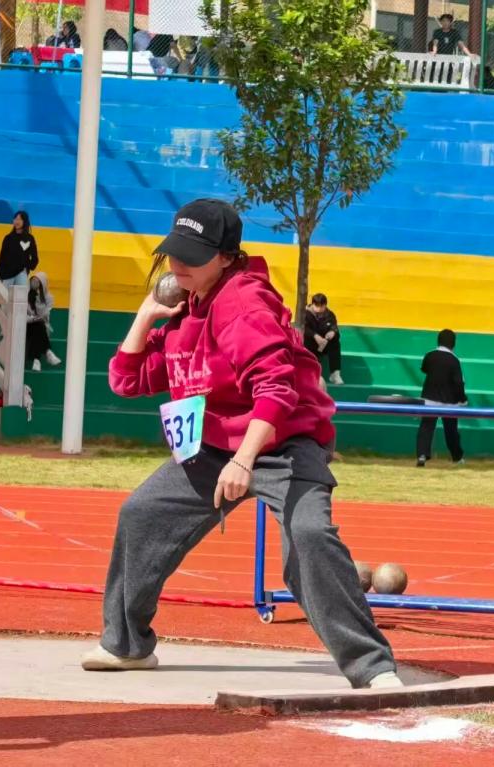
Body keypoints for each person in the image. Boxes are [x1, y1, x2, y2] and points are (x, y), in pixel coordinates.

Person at [82, 199, 403, 690]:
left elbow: (277, 389)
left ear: (227, 257)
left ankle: (372, 667)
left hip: (284, 442)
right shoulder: (187, 311)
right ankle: (127, 645)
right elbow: (127, 380)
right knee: (142, 514)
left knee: (309, 536)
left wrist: (244, 459)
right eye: (174, 252)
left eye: (193, 255)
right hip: (214, 447)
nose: (178, 263)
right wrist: (146, 316)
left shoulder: (243, 304)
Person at [416, 329, 467, 467]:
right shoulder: (454, 360)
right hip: (449, 402)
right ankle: (457, 457)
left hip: (429, 399)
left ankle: (422, 455)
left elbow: (424, 369)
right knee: (451, 431)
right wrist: (462, 399)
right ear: (453, 344)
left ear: (438, 341)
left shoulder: (429, 356)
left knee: (426, 428)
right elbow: (458, 383)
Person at [303, 293, 343, 386]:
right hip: (309, 345)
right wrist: (315, 336)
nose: (319, 309)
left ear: (325, 305)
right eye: (317, 306)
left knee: (335, 343)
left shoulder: (330, 315)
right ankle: (308, 374)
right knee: (305, 339)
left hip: (323, 345)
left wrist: (333, 332)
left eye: (322, 306)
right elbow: (303, 328)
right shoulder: (305, 314)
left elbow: (334, 327)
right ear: (312, 304)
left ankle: (335, 374)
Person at [26, 272, 61, 371]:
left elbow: (45, 316)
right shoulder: (25, 295)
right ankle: (47, 352)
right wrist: (33, 318)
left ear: (42, 285)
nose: (34, 283)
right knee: (37, 325)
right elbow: (22, 315)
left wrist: (38, 300)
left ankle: (36, 361)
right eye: (33, 281)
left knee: (38, 326)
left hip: (39, 326)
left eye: (37, 282)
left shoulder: (48, 298)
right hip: (26, 324)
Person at [0, 211, 38, 288]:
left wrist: (27, 266)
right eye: (15, 219)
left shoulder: (29, 238)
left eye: (20, 219)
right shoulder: (8, 238)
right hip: (7, 274)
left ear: (25, 221)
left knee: (22, 294)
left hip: (21, 273)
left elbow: (35, 258)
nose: (17, 221)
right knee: (5, 294)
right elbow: (2, 257)